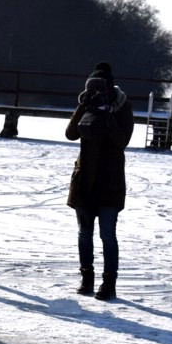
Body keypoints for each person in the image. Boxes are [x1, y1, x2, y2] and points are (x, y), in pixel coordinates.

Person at [65, 62, 133, 300]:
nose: (96, 94)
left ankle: (109, 284)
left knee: (107, 234)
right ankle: (87, 278)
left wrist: (108, 116)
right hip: (84, 181)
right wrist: (83, 106)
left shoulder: (122, 107)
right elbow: (71, 134)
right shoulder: (87, 104)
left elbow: (122, 140)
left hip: (110, 183)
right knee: (84, 234)